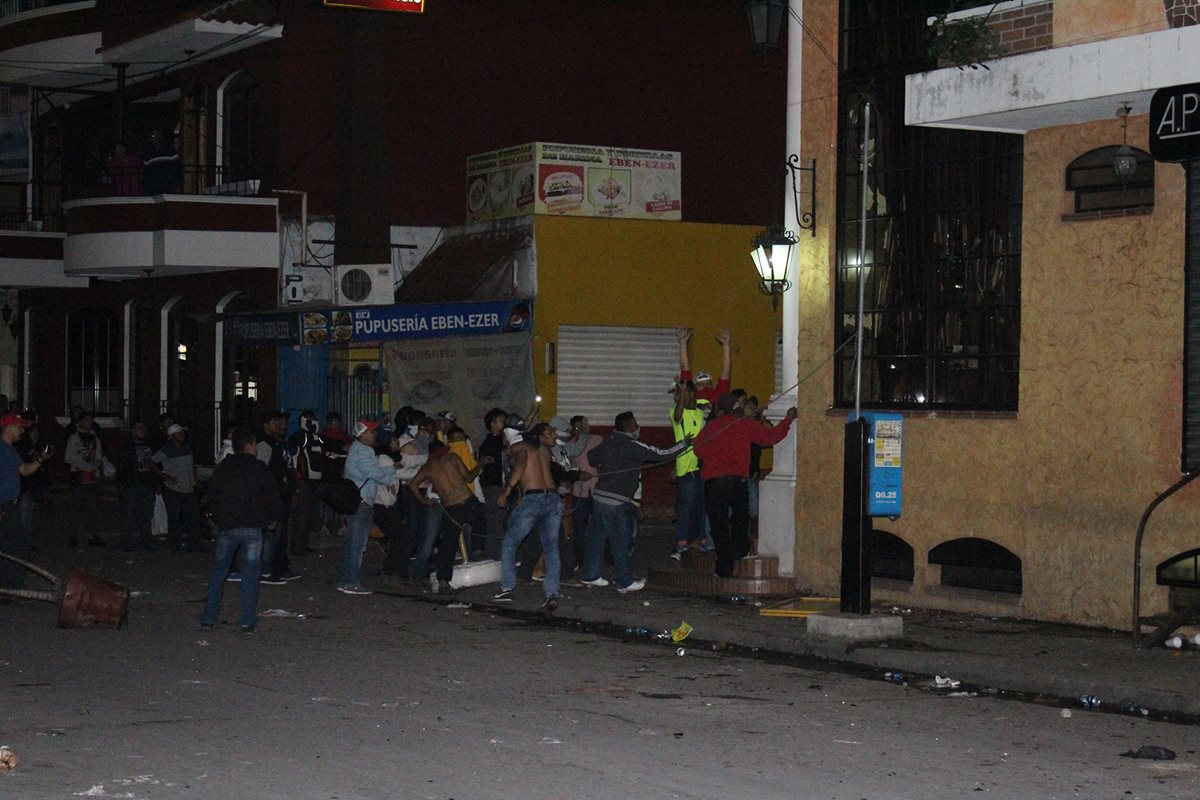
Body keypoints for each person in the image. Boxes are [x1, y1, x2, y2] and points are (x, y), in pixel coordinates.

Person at [582, 412, 691, 593]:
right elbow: (661, 454)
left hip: (599, 497)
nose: (638, 427)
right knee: (620, 541)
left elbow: (592, 457)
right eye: (636, 424)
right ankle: (624, 581)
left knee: (596, 539)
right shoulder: (632, 446)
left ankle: (590, 575)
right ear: (630, 427)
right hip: (616, 501)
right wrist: (684, 444)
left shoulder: (608, 443)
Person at [693, 394, 796, 578]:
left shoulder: (713, 427)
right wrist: (787, 419)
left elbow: (698, 450)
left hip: (715, 484)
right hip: (737, 483)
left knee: (719, 526)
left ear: (720, 410)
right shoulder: (746, 424)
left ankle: (724, 568)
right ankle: (740, 552)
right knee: (740, 521)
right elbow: (769, 438)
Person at [200, 427, 281, 633]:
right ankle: (246, 620)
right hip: (253, 527)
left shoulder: (224, 467)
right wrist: (272, 518)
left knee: (219, 571)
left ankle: (208, 618)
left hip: (228, 526)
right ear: (249, 445)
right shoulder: (259, 468)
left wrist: (218, 517)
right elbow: (271, 495)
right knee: (251, 574)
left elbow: (212, 495)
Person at [493, 421, 565, 610]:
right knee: (551, 547)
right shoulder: (543, 450)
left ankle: (507, 588)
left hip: (534, 500)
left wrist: (507, 490)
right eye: (550, 432)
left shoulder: (520, 447)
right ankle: (552, 592)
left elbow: (522, 464)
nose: (555, 435)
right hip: (553, 499)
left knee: (510, 543)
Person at [407, 440, 491, 593]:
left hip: (451, 508)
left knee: (448, 544)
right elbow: (469, 477)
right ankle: (479, 549)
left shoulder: (427, 467)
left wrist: (424, 501)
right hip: (467, 501)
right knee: (481, 518)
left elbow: (412, 484)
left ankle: (444, 580)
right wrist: (481, 464)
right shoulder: (452, 458)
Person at [339, 419, 402, 595]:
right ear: (362, 433)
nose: (374, 434)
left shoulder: (358, 449)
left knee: (353, 543)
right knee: (357, 545)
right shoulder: (363, 451)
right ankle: (350, 582)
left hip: (358, 500)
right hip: (361, 501)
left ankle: (346, 579)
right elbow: (375, 474)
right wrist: (391, 471)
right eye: (372, 431)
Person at [0, 411, 51, 589]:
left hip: (11, 506)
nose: (22, 431)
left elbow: (24, 470)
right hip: (3, 508)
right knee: (12, 548)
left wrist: (40, 459)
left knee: (16, 548)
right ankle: (9, 588)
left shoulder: (10, 449)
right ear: (10, 427)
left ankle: (11, 587)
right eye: (20, 427)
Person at [670, 378, 714, 559]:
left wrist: (693, 391)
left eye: (680, 392)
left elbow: (709, 403)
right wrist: (682, 396)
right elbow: (679, 415)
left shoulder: (699, 410)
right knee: (685, 508)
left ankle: (703, 540)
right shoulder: (675, 412)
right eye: (676, 393)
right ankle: (681, 544)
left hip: (702, 467)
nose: (676, 396)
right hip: (686, 469)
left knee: (704, 506)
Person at [257, 410, 298, 583]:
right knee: (271, 535)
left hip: (282, 495)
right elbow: (261, 472)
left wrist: (292, 489)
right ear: (266, 425)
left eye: (283, 423)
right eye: (276, 422)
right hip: (272, 497)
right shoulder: (264, 445)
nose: (282, 426)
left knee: (280, 534)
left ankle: (280, 568)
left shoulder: (280, 444)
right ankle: (267, 570)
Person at [151, 423, 203, 553]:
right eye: (179, 433)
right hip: (173, 490)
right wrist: (164, 476)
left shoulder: (187, 447)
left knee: (193, 518)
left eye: (182, 433)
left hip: (188, 488)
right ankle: (176, 545)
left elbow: (192, 465)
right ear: (172, 435)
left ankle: (194, 545)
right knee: (174, 519)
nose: (182, 435)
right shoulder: (167, 449)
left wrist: (195, 480)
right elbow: (152, 462)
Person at [287, 410, 327, 557]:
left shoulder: (317, 438)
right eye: (310, 419)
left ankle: (303, 545)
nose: (315, 422)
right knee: (301, 516)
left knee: (310, 515)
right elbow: (294, 459)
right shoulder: (298, 438)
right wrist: (298, 480)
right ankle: (297, 547)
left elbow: (324, 452)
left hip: (315, 481)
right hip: (303, 482)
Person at [64, 410, 105, 547]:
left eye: (91, 420)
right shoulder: (74, 438)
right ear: (80, 422)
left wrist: (94, 466)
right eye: (87, 419)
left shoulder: (95, 438)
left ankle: (92, 535)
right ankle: (72, 535)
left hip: (92, 477)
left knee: (92, 508)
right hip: (78, 475)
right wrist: (86, 466)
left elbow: (99, 457)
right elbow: (68, 457)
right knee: (75, 507)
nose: (90, 422)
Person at [117, 421, 159, 551]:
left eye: (143, 428)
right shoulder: (127, 447)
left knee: (146, 516)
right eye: (139, 428)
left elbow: (156, 466)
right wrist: (120, 484)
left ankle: (145, 541)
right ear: (133, 431)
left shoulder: (151, 446)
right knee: (129, 515)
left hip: (148, 484)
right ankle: (126, 542)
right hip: (133, 484)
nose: (142, 430)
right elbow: (121, 466)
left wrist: (157, 483)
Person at [476, 408, 508, 559]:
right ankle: (496, 555)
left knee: (498, 520)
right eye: (501, 421)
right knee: (495, 520)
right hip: (492, 486)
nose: (504, 424)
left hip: (499, 485)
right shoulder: (491, 441)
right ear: (492, 424)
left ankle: (495, 554)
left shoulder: (500, 440)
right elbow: (488, 460)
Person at [676, 326, 733, 406]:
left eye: (708, 383)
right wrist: (683, 343)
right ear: (694, 386)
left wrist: (726, 345)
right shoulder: (690, 396)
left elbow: (726, 371)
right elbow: (684, 367)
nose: (705, 387)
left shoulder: (718, 394)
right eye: (701, 385)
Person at [143, 128, 181, 194]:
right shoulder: (148, 155)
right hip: (154, 188)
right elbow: (147, 172)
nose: (155, 138)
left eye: (156, 135)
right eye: (153, 136)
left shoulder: (170, 152)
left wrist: (175, 184)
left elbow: (176, 168)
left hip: (168, 186)